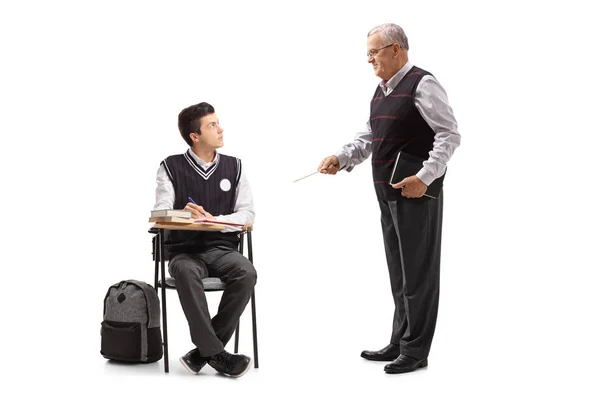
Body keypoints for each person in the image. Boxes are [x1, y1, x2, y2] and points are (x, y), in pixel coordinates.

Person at [318, 23, 461, 374]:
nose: (369, 60)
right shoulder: (381, 91)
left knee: (419, 274)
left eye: (374, 52)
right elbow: (370, 135)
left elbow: (449, 134)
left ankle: (415, 351)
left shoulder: (422, 84)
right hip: (387, 194)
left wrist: (425, 177)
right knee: (400, 273)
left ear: (396, 49)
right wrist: (342, 157)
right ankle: (400, 341)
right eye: (367, 53)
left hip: (415, 195)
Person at [153, 102, 256, 378]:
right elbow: (158, 213)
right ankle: (217, 354)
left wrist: (216, 220)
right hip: (184, 252)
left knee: (246, 272)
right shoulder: (170, 167)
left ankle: (203, 353)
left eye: (218, 122)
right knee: (186, 272)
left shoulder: (235, 167)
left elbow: (247, 213)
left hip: (222, 249)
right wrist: (180, 213)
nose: (220, 129)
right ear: (194, 136)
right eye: (212, 125)